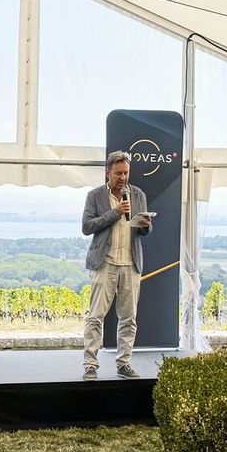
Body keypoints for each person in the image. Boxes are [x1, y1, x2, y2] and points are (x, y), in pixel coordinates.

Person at [82, 150, 152, 380]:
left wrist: (145, 225)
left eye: (126, 173)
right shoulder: (95, 196)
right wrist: (115, 213)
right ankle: (90, 364)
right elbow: (87, 226)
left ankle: (124, 363)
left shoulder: (138, 194)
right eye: (118, 173)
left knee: (129, 318)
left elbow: (144, 231)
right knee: (95, 317)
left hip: (131, 263)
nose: (123, 178)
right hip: (105, 263)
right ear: (108, 173)